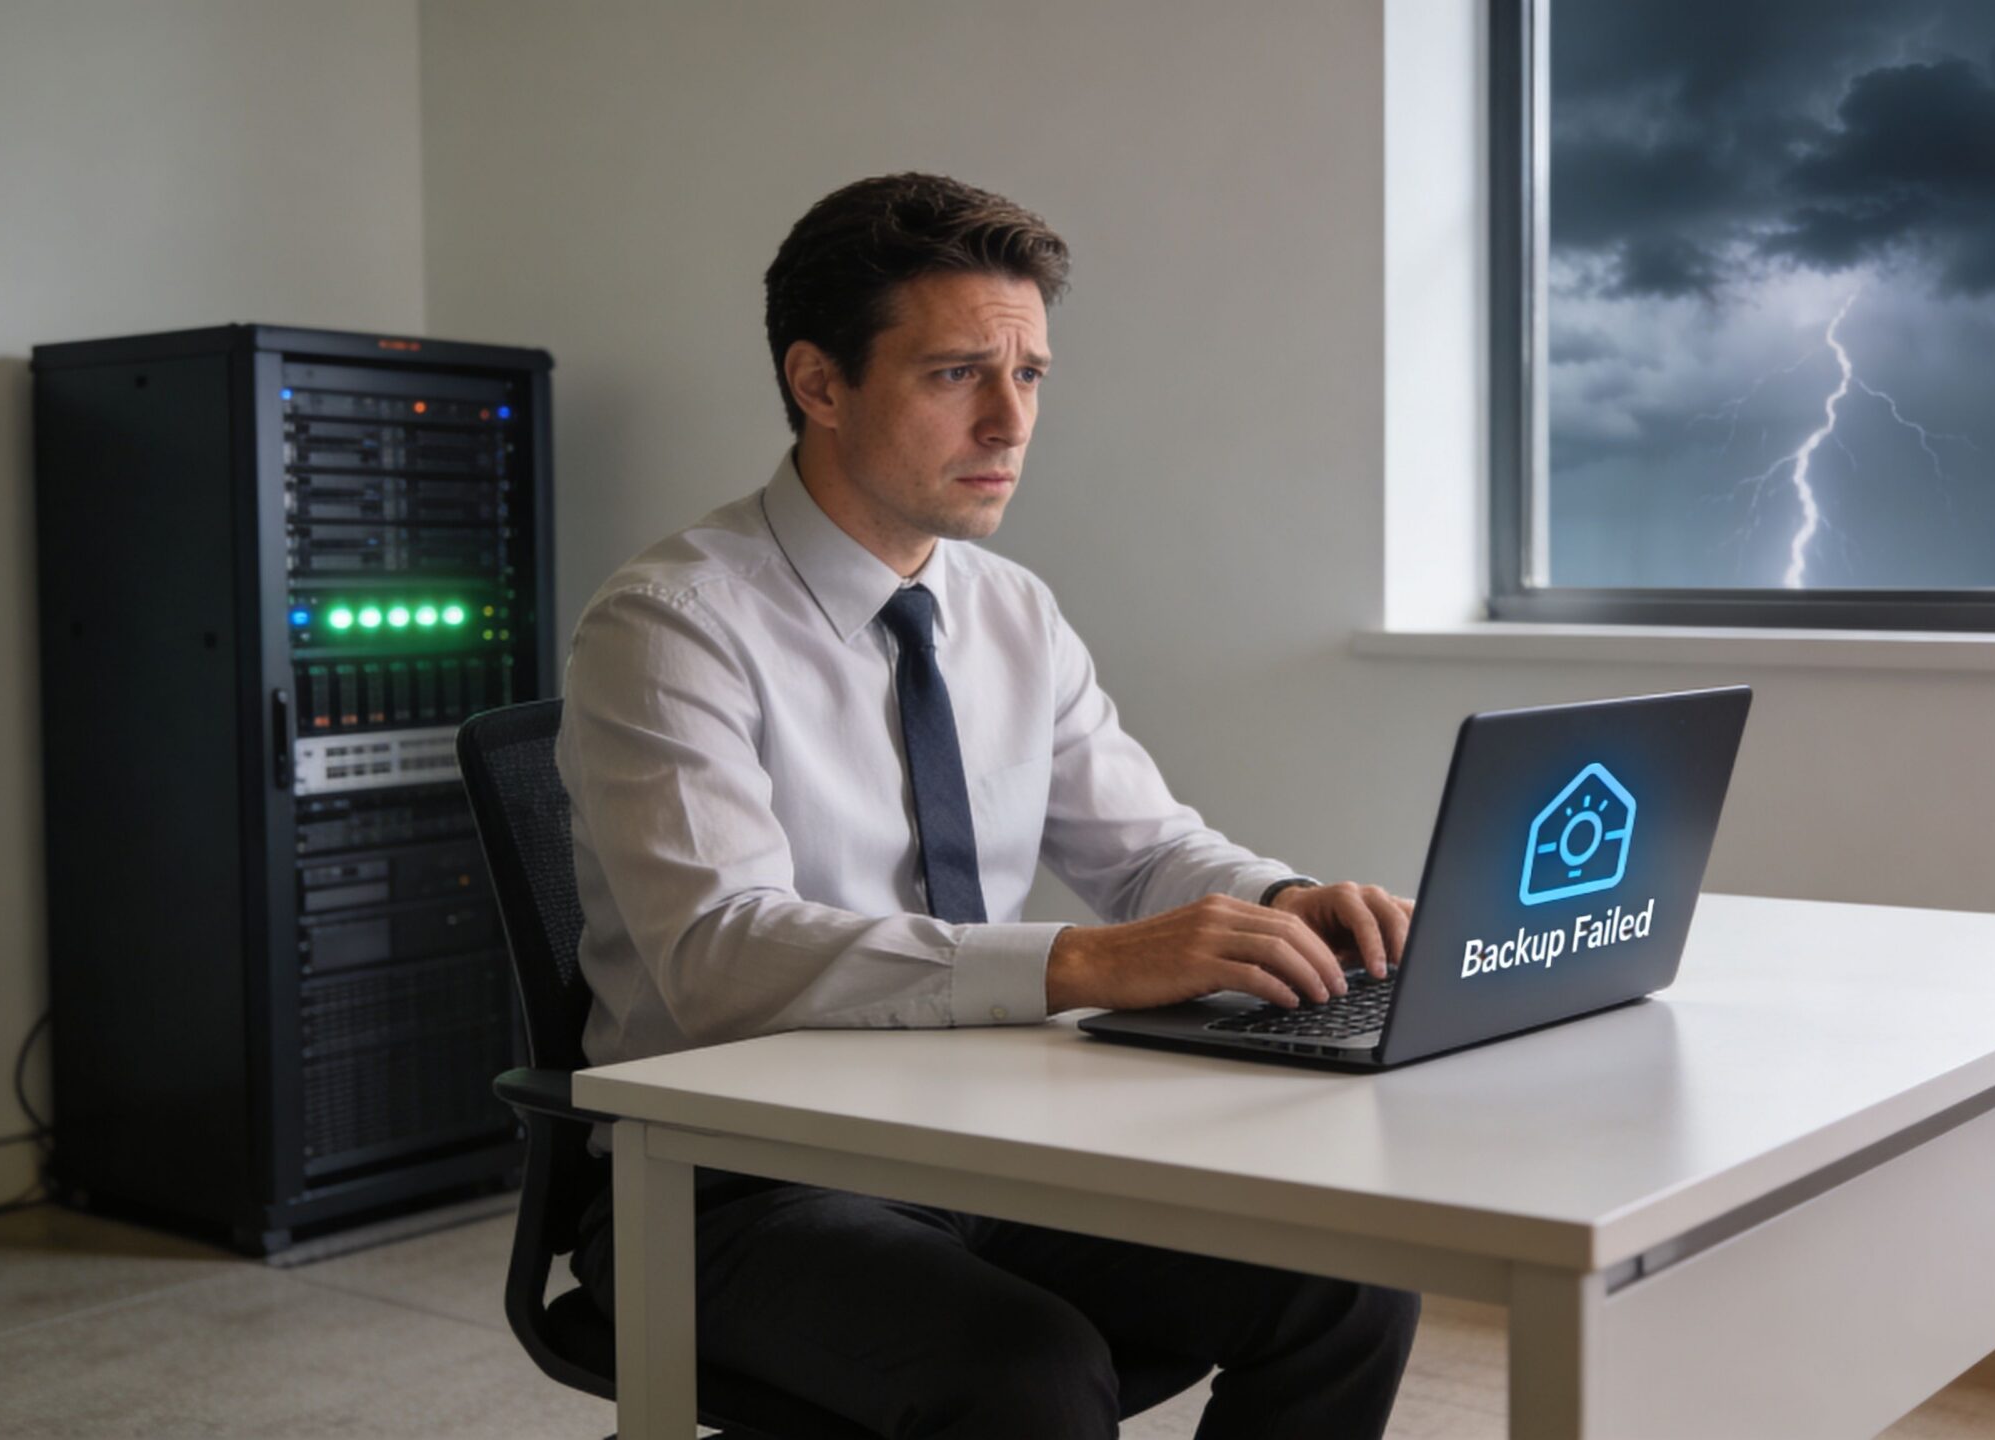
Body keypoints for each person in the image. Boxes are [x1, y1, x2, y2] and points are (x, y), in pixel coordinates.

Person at [560, 171, 1420, 1438]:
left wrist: (1280, 901)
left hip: (984, 1142)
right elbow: (718, 953)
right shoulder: (671, 623)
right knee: (1027, 1372)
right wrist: (1082, 962)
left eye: (1028, 376)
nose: (1010, 422)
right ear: (819, 383)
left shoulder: (1010, 609)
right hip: (727, 1178)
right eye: (958, 373)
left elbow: (1146, 851)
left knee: (1349, 1276)